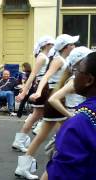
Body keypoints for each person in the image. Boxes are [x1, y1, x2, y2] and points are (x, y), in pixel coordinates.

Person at [15, 34, 78, 179]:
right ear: (66, 47)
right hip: (54, 96)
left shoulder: (65, 59)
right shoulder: (58, 60)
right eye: (72, 44)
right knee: (71, 130)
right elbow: (45, 76)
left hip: (57, 97)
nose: (74, 46)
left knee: (43, 135)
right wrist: (36, 92)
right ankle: (57, 158)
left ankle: (23, 166)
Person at [41, 52, 96, 180]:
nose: (74, 74)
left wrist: (71, 118)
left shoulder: (76, 126)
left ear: (89, 80)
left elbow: (61, 174)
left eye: (77, 70)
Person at [12, 36, 54, 153]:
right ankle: (22, 140)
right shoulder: (42, 57)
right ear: (46, 45)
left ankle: (20, 140)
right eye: (51, 44)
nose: (53, 46)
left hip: (45, 85)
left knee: (37, 114)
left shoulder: (45, 57)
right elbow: (32, 75)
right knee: (40, 114)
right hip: (43, 86)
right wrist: (24, 92)